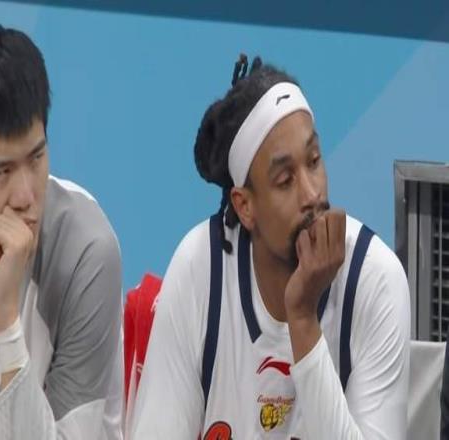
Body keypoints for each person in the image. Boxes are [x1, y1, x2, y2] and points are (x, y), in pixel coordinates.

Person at [131, 56, 410, 439]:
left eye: (314, 161)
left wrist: (303, 319)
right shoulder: (201, 266)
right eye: (285, 180)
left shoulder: (374, 279)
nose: (312, 194)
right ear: (245, 205)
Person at [0, 25, 123, 439]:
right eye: (2, 172)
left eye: (37, 158)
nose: (26, 196)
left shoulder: (87, 255)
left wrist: (7, 319)